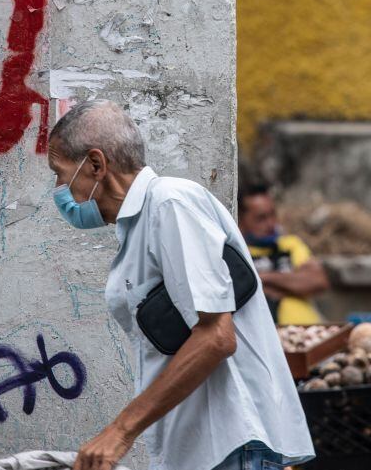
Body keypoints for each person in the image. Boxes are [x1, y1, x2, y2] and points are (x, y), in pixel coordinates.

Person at [47, 100, 314, 470]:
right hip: (202, 453)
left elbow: (216, 336)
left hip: (229, 447)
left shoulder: (171, 203)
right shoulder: (140, 223)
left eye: (60, 174)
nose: (60, 189)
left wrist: (120, 431)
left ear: (96, 165)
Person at [238, 184, 329, 325]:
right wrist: (292, 282)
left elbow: (317, 281)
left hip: (309, 331)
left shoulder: (290, 244)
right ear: (241, 220)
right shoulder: (239, 253)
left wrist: (262, 278)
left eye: (272, 214)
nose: (271, 223)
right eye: (261, 218)